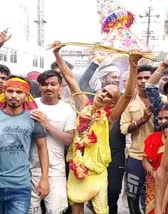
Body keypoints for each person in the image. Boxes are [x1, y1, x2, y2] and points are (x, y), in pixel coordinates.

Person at [52, 42, 141, 214]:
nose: (104, 95)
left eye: (110, 96)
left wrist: (133, 64)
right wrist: (57, 54)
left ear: (113, 103)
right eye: (104, 91)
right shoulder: (84, 104)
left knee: (102, 210)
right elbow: (70, 78)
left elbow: (128, 94)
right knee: (76, 208)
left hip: (97, 171)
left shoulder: (110, 117)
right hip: (76, 165)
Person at [29, 70, 76, 214]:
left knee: (55, 210)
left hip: (56, 169)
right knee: (31, 210)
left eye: (53, 84)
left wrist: (47, 124)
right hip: (30, 168)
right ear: (39, 86)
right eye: (44, 84)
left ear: (60, 86)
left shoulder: (68, 109)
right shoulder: (30, 105)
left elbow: (69, 139)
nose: (49, 88)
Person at [0, 76, 49, 214]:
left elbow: (42, 148)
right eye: (10, 91)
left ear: (27, 95)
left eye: (19, 92)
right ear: (4, 92)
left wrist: (44, 179)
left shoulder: (34, 118)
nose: (14, 95)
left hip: (20, 186)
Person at [120, 64, 156, 214]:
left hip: (159, 156)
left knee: (157, 194)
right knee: (133, 194)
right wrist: (142, 120)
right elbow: (123, 128)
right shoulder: (129, 103)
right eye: (139, 78)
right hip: (136, 155)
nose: (142, 81)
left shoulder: (164, 100)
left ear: (154, 79)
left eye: (147, 78)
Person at [142, 104, 168, 214]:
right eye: (160, 118)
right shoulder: (153, 137)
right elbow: (145, 159)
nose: (162, 121)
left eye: (167, 118)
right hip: (155, 179)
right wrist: (151, 170)